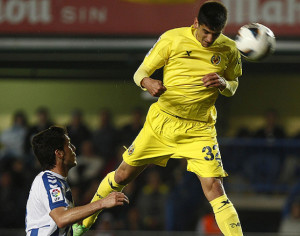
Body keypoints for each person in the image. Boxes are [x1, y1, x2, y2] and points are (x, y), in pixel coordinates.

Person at [78, 1, 243, 235]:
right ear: (196, 23)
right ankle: (83, 223)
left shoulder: (229, 49)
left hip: (199, 129)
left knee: (215, 189)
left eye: (215, 34)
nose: (209, 39)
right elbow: (140, 73)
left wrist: (224, 83)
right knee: (123, 175)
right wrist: (148, 82)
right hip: (162, 123)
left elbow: (234, 86)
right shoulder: (172, 39)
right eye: (205, 32)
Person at [25, 126, 129, 235]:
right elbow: (61, 218)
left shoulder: (57, 182)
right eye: (69, 145)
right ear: (59, 153)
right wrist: (102, 202)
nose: (74, 148)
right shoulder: (49, 180)